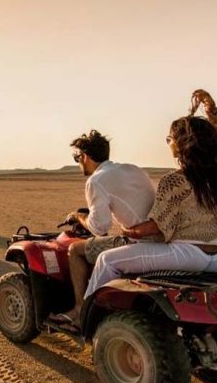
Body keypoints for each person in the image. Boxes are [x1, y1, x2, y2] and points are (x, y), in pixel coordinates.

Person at [83, 89, 217, 301]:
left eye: (169, 139)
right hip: (216, 256)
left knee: (107, 260)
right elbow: (214, 139)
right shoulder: (215, 176)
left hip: (185, 255)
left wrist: (129, 231)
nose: (168, 143)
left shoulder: (174, 180)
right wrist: (212, 111)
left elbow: (156, 227)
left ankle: (84, 313)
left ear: (182, 143)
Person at [49, 130, 156, 325]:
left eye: (77, 158)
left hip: (139, 240)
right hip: (159, 236)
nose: (78, 162)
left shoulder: (96, 180)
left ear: (85, 156)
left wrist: (79, 217)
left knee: (75, 250)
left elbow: (99, 227)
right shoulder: (133, 169)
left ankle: (79, 310)